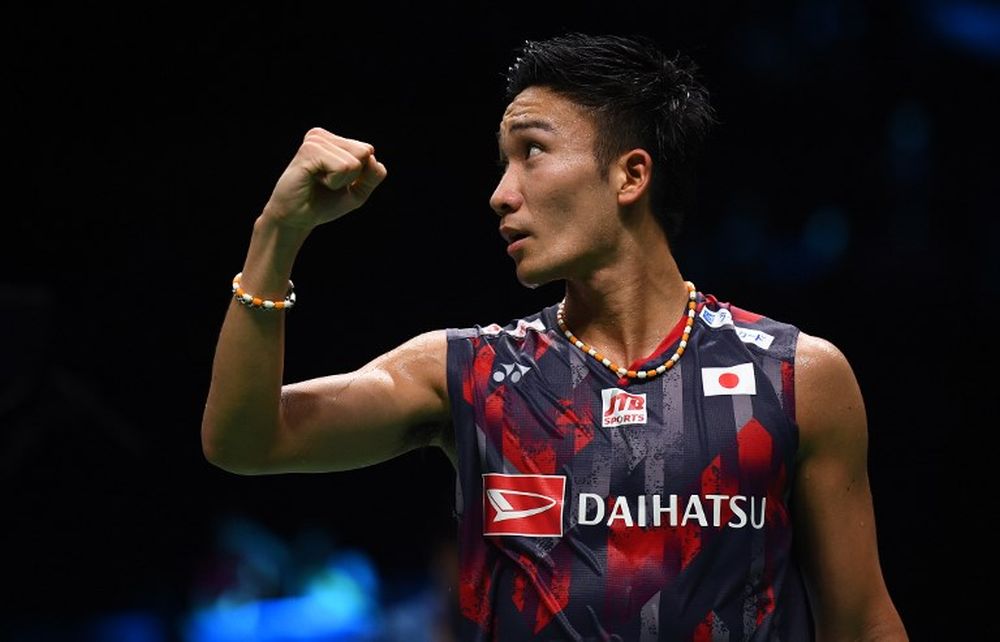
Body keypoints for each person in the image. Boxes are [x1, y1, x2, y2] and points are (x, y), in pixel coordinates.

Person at [201, 32, 908, 641]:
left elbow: (864, 623)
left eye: (531, 153)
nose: (501, 193)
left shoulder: (795, 376)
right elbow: (246, 441)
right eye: (503, 164)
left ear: (630, 174)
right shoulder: (469, 372)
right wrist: (277, 234)